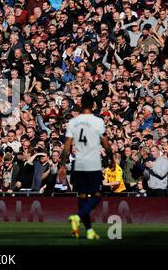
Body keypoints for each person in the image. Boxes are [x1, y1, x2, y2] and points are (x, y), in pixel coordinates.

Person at [62, 92, 115, 240]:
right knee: (97, 196)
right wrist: (111, 158)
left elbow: (66, 146)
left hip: (78, 164)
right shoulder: (98, 121)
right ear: (93, 105)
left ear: (80, 104)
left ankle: (89, 231)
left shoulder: (73, 122)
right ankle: (77, 218)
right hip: (93, 163)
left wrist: (62, 165)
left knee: (82, 198)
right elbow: (105, 143)